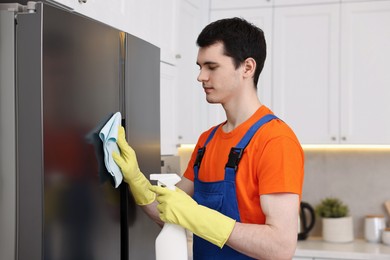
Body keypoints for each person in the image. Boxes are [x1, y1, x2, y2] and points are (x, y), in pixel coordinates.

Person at [113, 17, 304, 260]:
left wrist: (197, 216)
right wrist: (136, 180)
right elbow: (170, 214)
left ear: (247, 68)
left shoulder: (275, 141)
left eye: (212, 67)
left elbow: (281, 247)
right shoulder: (207, 141)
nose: (201, 77)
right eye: (199, 66)